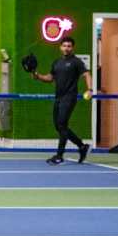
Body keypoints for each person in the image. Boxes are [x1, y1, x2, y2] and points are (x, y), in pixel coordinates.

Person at [32, 36, 91, 165]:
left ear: (72, 48)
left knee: (62, 124)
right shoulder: (57, 62)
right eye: (64, 46)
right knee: (59, 126)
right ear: (60, 47)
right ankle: (82, 146)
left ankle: (59, 156)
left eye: (69, 46)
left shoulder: (76, 62)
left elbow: (87, 74)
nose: (66, 48)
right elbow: (50, 78)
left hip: (69, 97)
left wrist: (90, 89)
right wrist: (38, 76)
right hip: (58, 97)